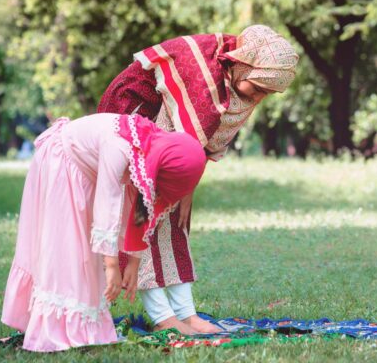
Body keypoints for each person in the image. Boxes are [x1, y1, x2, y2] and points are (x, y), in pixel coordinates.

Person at [97, 25, 298, 334]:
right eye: (257, 88)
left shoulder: (231, 75)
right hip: (134, 121)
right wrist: (180, 184)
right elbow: (171, 136)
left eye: (266, 93)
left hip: (169, 145)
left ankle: (185, 313)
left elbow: (203, 134)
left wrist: (185, 183)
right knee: (145, 220)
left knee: (175, 223)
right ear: (242, 64)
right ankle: (163, 316)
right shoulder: (201, 72)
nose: (258, 98)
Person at [1, 113, 206, 351]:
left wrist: (133, 262)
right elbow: (107, 202)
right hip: (62, 163)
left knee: (84, 258)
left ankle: (82, 326)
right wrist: (112, 267)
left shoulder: (148, 151)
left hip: (85, 173)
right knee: (65, 250)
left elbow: (139, 207)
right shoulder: (119, 146)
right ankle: (52, 328)